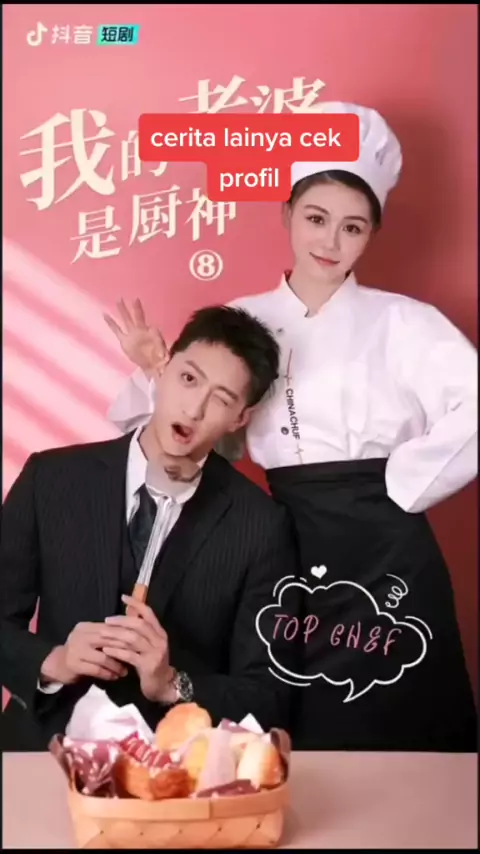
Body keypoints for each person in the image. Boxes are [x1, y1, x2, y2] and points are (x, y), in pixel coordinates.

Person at [106, 102, 478, 753]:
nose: (330, 242)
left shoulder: (406, 322)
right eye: (315, 218)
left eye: (352, 227)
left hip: (388, 543)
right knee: (284, 715)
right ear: (286, 215)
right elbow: (170, 439)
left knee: (401, 717)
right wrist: (157, 369)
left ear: (371, 234)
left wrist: (404, 482)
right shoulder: (241, 320)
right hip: (275, 538)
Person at [1, 306, 301, 752]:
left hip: (172, 764)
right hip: (40, 750)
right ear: (163, 369)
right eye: (188, 378)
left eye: (221, 399)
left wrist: (171, 683)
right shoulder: (51, 478)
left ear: (241, 417)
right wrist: (54, 661)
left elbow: (269, 693)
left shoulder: (260, 524)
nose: (193, 409)